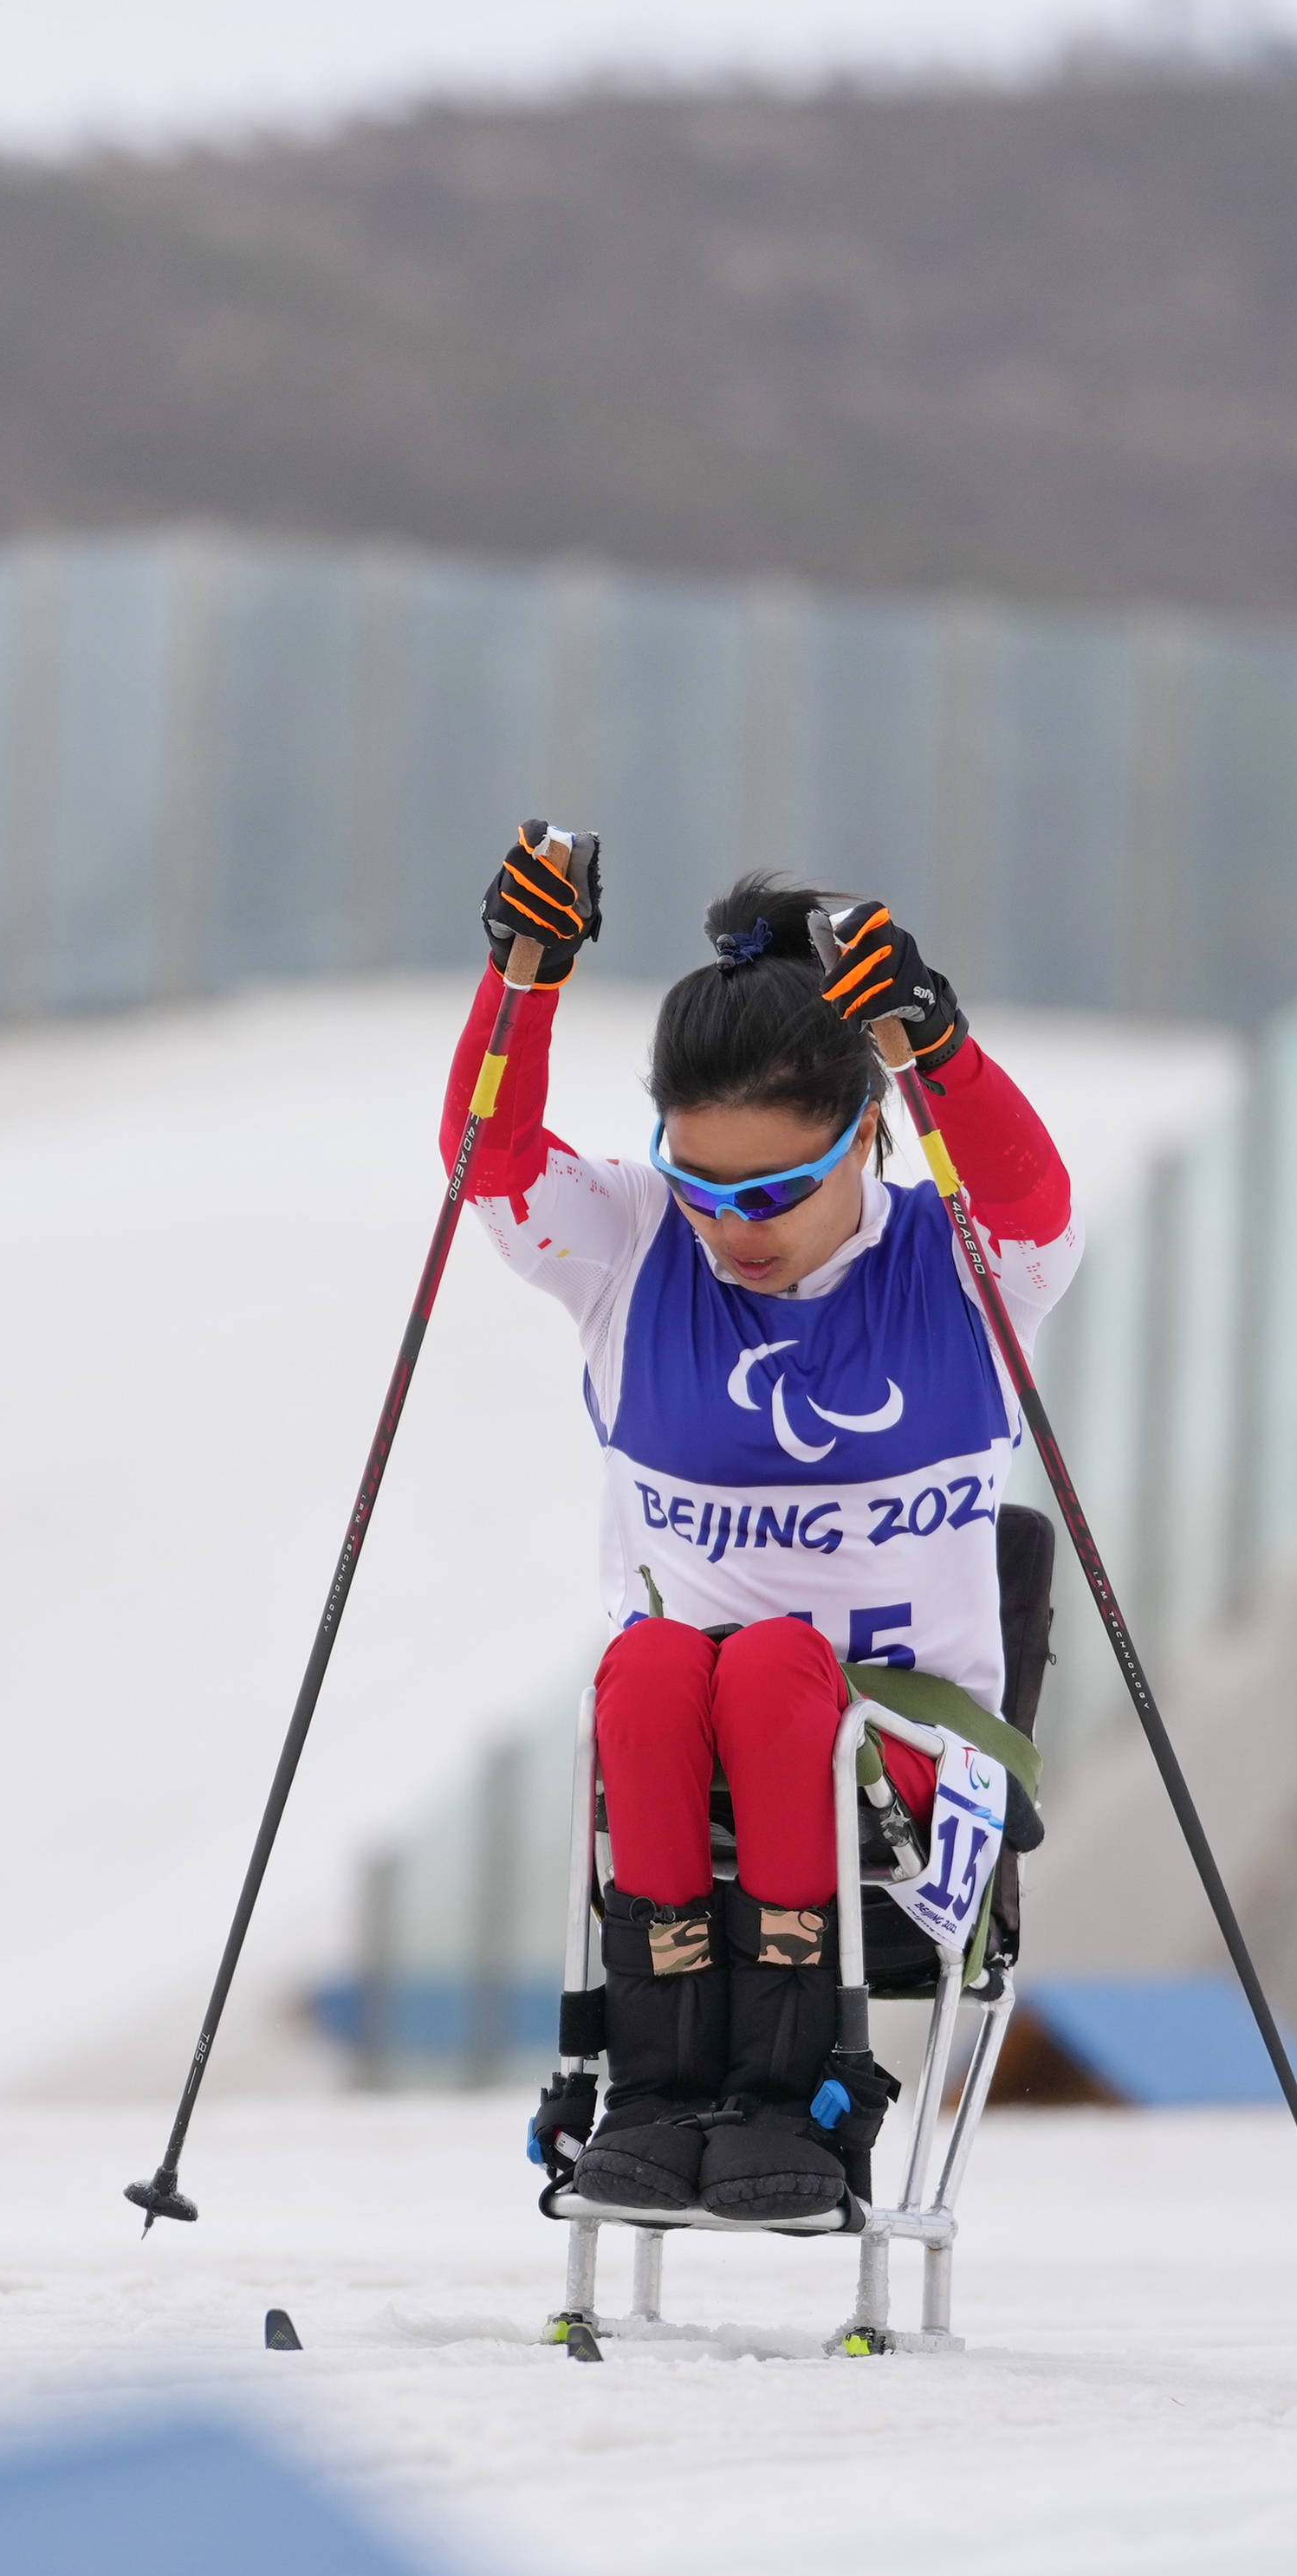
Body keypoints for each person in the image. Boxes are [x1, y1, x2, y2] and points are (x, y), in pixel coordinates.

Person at [451, 825, 1080, 2224]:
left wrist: (935, 1045)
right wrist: (522, 980)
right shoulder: (627, 1247)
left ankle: (807, 2095)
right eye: (702, 1183)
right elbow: (488, 1166)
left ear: (866, 1132)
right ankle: (662, 2095)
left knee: (779, 1670)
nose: (736, 1228)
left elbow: (1033, 1195)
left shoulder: (969, 1265)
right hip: (697, 1767)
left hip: (908, 1771)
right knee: (660, 1665)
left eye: (779, 1192)